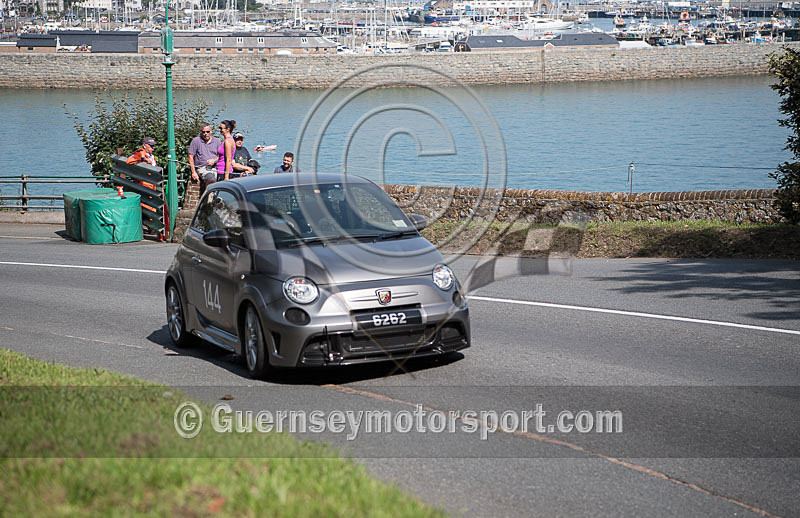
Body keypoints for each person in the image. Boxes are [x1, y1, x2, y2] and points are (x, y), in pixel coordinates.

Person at [188, 124, 221, 190]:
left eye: (207, 132)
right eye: (203, 132)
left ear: (211, 132)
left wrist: (214, 161)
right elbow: (190, 156)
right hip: (202, 168)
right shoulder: (196, 141)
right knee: (210, 178)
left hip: (215, 167)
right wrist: (193, 172)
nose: (205, 134)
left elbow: (220, 156)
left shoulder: (217, 141)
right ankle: (209, 197)